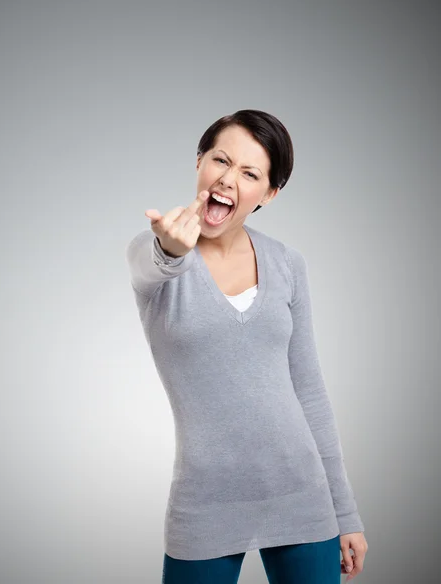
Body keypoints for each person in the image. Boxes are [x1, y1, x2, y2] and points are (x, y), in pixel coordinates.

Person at [125, 110, 368, 584]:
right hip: (206, 501)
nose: (228, 179)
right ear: (199, 161)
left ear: (270, 193)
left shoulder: (286, 263)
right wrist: (171, 248)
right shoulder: (152, 250)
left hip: (302, 495)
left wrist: (345, 512)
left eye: (250, 173)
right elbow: (153, 263)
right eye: (220, 159)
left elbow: (309, 390)